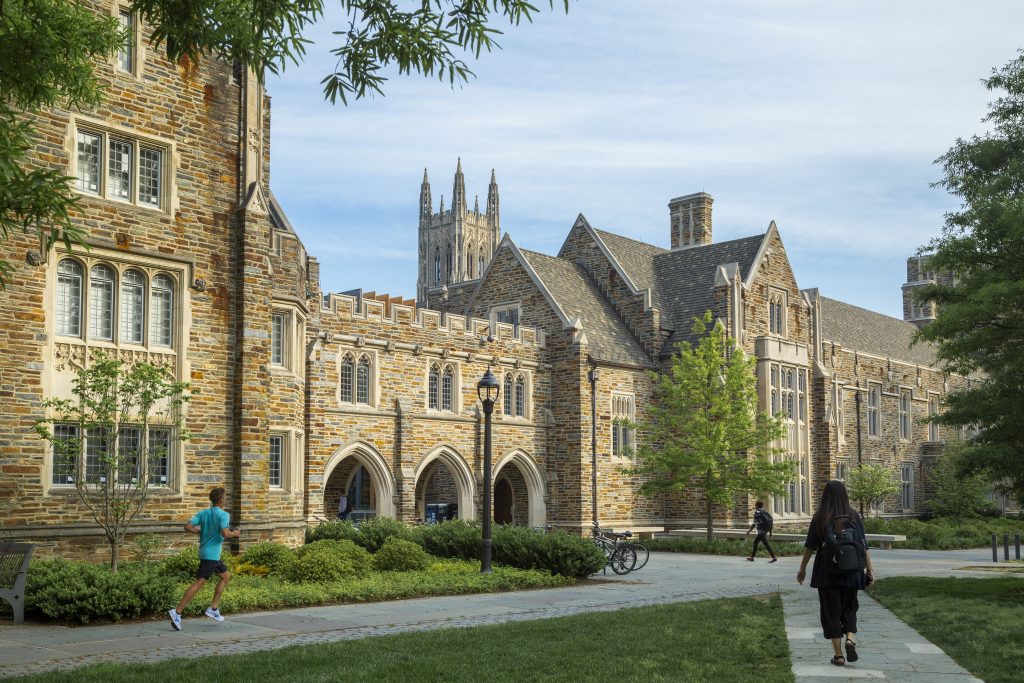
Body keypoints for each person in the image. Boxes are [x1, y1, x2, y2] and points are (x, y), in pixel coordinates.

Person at [796, 480, 875, 667]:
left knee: (831, 612)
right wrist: (870, 571)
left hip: (827, 573)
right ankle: (850, 638)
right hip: (853, 571)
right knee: (850, 607)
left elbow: (810, 547)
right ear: (845, 494)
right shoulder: (854, 516)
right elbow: (864, 546)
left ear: (825, 496)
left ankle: (839, 655)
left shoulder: (820, 517)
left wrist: (802, 568)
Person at [168, 486, 241, 631]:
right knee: (199, 583)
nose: (225, 499)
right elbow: (226, 534)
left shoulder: (203, 513)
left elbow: (188, 526)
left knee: (226, 576)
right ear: (221, 500)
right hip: (211, 556)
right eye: (225, 497)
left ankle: (213, 608)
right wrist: (236, 534)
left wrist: (203, 531)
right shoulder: (224, 515)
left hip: (209, 553)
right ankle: (177, 612)